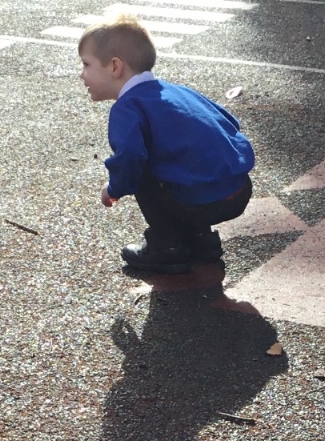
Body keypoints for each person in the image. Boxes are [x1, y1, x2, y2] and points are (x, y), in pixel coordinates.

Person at [79, 15, 255, 276]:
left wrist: (113, 189)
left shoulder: (128, 107)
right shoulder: (177, 91)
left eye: (86, 64)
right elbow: (227, 123)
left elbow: (129, 159)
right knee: (179, 161)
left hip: (203, 202)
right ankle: (202, 239)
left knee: (144, 169)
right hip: (238, 189)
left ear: (115, 67)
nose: (81, 74)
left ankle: (167, 246)